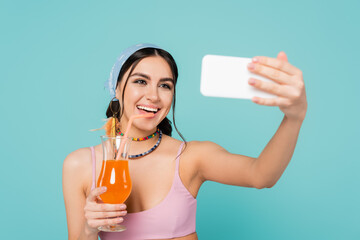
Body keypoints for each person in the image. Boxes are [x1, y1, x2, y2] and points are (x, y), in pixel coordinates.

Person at [62, 43, 307, 240]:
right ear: (116, 88)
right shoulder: (80, 165)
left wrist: (293, 117)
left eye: (165, 86)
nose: (154, 95)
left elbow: (261, 175)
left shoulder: (191, 157)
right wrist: (89, 230)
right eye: (140, 81)